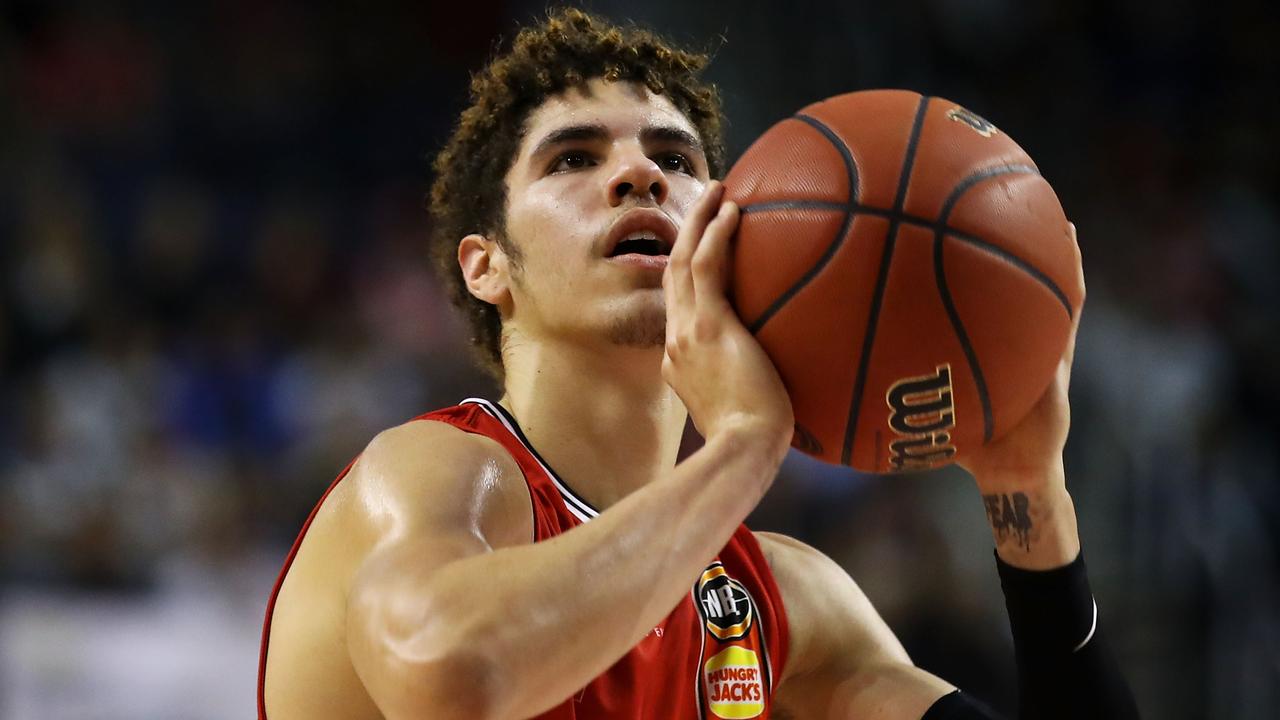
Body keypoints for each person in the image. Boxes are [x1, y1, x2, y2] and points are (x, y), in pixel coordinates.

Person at [257, 8, 1139, 719]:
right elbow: (458, 678)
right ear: (486, 265)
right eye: (574, 157)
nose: (639, 174)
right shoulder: (436, 474)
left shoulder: (785, 602)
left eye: (674, 159)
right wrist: (746, 444)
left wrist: (1028, 494)